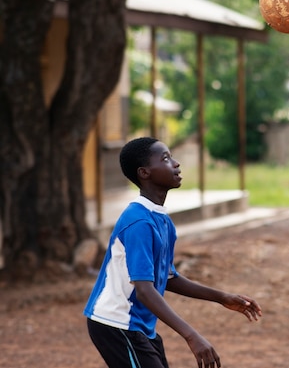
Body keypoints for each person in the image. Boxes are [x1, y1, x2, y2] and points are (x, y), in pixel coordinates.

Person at [84, 137, 262, 368]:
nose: (176, 164)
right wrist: (191, 335)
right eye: (166, 158)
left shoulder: (162, 221)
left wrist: (222, 297)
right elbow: (145, 291)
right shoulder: (139, 222)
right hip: (116, 322)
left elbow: (168, 278)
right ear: (144, 173)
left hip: (138, 324)